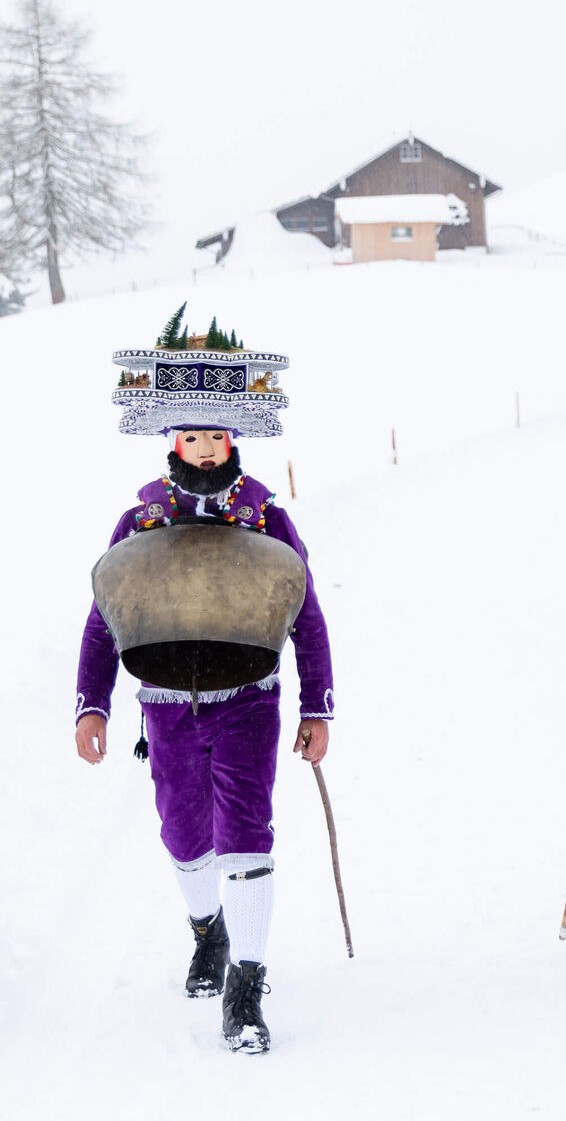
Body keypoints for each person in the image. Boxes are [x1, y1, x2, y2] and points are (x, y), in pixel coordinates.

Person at [76, 339, 334, 1053]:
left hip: (250, 698)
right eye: (191, 435)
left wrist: (318, 706)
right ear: (172, 440)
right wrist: (91, 703)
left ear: (233, 437)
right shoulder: (139, 525)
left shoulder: (268, 521)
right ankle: (206, 933)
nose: (205, 447)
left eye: (215, 434)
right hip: (163, 705)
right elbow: (105, 618)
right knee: (185, 836)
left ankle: (245, 990)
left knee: (248, 835)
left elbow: (304, 614)